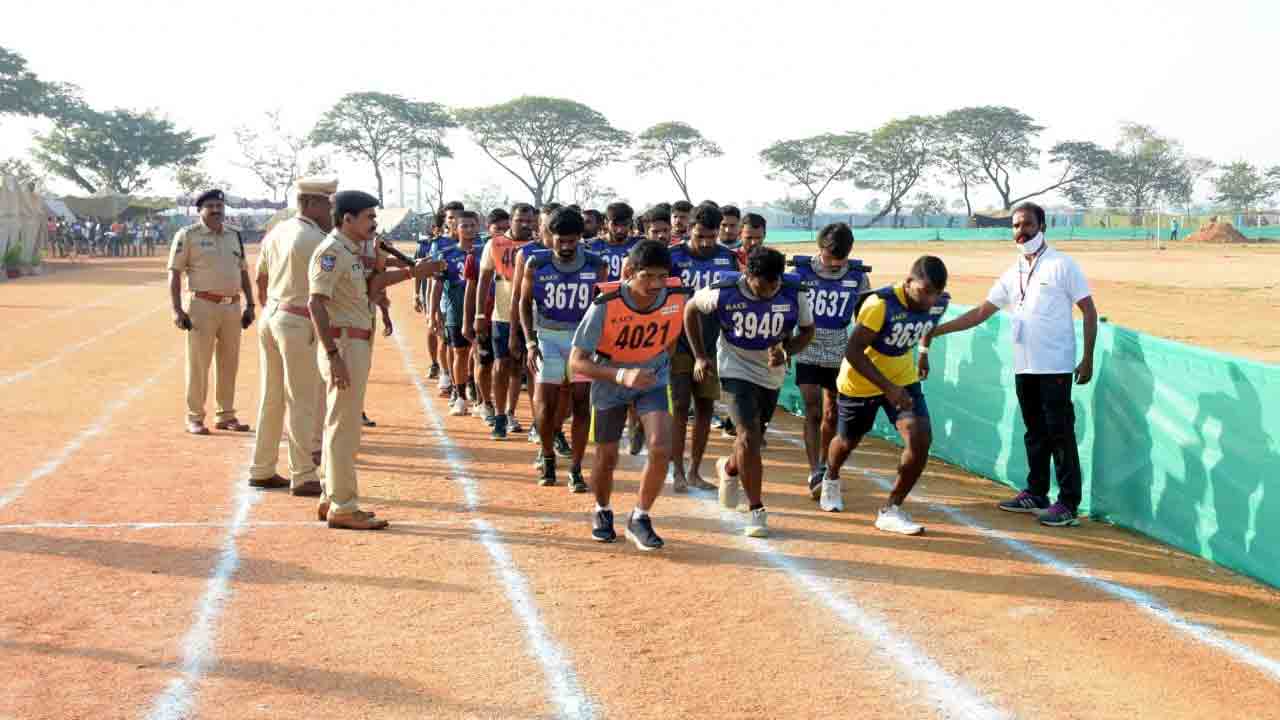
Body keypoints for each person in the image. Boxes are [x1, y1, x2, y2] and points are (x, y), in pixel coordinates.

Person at [925, 201, 1097, 527]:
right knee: (1035, 432)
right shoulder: (1012, 272)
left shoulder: (1062, 265)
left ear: (1042, 227)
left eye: (1027, 225)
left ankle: (1068, 503)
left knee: (1059, 433)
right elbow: (980, 313)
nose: (1020, 232)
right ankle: (1036, 492)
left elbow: (1088, 310)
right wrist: (939, 330)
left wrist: (1086, 357)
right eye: (1016, 226)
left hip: (1055, 366)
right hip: (1025, 366)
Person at [309, 190, 442, 530]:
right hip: (344, 344)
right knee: (344, 428)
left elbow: (371, 287)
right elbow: (316, 304)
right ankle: (343, 505)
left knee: (340, 425)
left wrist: (414, 273)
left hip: (354, 342)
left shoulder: (349, 251)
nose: (375, 223)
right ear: (347, 219)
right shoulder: (331, 253)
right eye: (368, 217)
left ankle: (331, 497)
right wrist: (334, 355)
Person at [686, 247, 814, 537]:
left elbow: (807, 331)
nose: (770, 291)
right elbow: (690, 309)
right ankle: (757, 511)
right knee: (748, 436)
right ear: (748, 275)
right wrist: (700, 355)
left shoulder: (795, 292)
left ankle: (729, 468)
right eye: (763, 285)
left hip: (771, 373)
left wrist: (786, 350)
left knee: (753, 439)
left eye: (775, 285)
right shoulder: (724, 290)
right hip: (735, 367)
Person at [820, 256, 950, 535]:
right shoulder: (880, 305)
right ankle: (830, 476)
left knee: (920, 437)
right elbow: (853, 352)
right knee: (846, 441)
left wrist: (923, 353)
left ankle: (892, 509)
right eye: (925, 291)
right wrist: (888, 388)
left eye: (936, 293)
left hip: (903, 378)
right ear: (908, 282)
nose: (930, 300)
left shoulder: (939, 301)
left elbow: (928, 323)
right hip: (860, 382)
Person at [570, 240, 688, 550]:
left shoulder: (675, 297)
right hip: (610, 380)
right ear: (629, 272)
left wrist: (653, 368)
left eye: (662, 277)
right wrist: (623, 374)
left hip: (652, 379)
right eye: (648, 276)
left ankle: (640, 517)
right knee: (606, 457)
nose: (656, 284)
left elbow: (671, 339)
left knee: (662, 447)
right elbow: (577, 361)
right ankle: (602, 509)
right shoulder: (604, 304)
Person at [247, 177, 337, 494]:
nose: (332, 209)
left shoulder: (278, 232)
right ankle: (303, 473)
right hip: (298, 321)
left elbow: (260, 278)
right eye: (328, 203)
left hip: (273, 314)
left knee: (271, 397)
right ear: (312, 203)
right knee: (302, 398)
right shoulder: (316, 239)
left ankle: (262, 466)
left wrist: (271, 310)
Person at [519, 207, 607, 491]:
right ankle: (546, 456)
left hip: (582, 341)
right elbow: (523, 303)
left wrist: (601, 345)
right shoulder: (537, 263)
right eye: (561, 241)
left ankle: (577, 467)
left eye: (572, 241)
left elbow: (604, 306)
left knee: (582, 404)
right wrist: (530, 341)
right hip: (548, 338)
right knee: (546, 402)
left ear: (580, 237)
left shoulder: (596, 264)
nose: (567, 247)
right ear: (549, 236)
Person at [790, 223, 871, 495]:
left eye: (841, 258)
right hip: (807, 343)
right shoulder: (800, 273)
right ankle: (814, 471)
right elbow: (786, 310)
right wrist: (785, 346)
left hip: (839, 347)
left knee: (831, 411)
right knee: (812, 408)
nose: (835, 264)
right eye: (829, 257)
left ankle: (826, 464)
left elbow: (863, 318)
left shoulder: (859, 277)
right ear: (819, 248)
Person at [168, 189, 257, 435]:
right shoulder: (188, 235)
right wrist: (177, 309)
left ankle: (226, 415)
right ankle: (194, 417)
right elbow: (174, 273)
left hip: (232, 307)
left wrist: (250, 304)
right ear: (200, 211)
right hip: (201, 307)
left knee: (230, 363)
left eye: (220, 205)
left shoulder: (234, 236)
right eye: (211, 206)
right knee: (199, 364)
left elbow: (242, 272)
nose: (217, 210)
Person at [668, 204, 740, 492]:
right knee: (679, 408)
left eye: (712, 237)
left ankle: (696, 469)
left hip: (712, 346)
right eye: (700, 236)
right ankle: (678, 471)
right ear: (689, 230)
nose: (707, 243)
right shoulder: (673, 256)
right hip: (678, 344)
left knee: (705, 409)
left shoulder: (728, 259)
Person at [472, 203, 536, 440]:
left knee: (527, 368)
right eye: (521, 221)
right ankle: (499, 415)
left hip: (532, 316)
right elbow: (483, 279)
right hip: (502, 314)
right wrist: (479, 315)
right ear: (511, 220)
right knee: (501, 365)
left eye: (530, 221)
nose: (526, 225)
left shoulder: (538, 246)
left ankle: (517, 415)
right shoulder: (495, 244)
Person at [432, 210, 483, 416]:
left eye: (472, 225)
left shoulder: (484, 252)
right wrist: (434, 312)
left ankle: (480, 396)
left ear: (478, 226)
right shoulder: (446, 255)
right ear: (455, 228)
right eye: (464, 226)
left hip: (481, 313)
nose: (469, 229)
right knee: (460, 353)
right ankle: (460, 395)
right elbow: (437, 286)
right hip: (456, 312)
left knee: (480, 354)